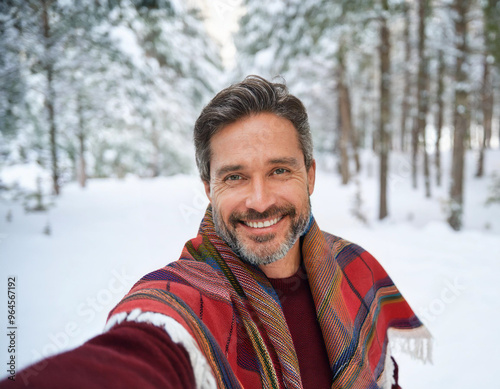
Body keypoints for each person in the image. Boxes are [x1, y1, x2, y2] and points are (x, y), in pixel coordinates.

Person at [1, 76, 431, 389]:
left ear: (310, 175)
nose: (259, 201)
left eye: (279, 170)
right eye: (235, 177)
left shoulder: (355, 269)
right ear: (208, 188)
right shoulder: (180, 302)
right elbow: (132, 362)